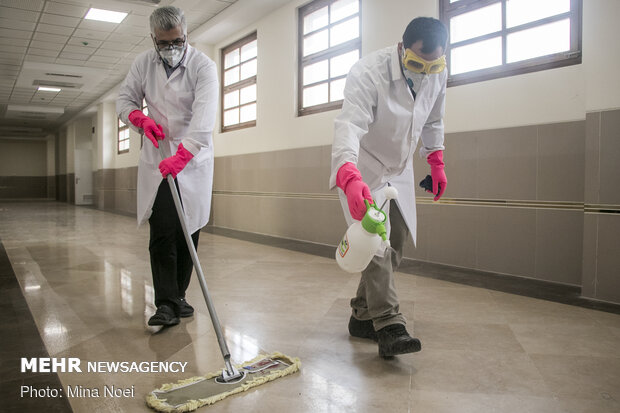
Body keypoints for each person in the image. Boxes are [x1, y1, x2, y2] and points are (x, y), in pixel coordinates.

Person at [330, 17, 448, 357]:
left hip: (400, 168)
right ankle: (389, 325)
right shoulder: (368, 72)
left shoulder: (437, 72)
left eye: (433, 65)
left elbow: (434, 117)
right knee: (376, 242)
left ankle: (361, 314)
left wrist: (436, 161)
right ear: (402, 47)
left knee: (395, 243)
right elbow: (349, 125)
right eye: (416, 63)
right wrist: (349, 176)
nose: (424, 73)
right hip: (362, 164)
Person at [116, 6, 218, 327]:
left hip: (193, 159)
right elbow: (124, 101)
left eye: (177, 41)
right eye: (164, 43)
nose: (171, 48)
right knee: (162, 230)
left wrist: (183, 155)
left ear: (186, 35)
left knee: (189, 231)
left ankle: (179, 297)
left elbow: (203, 122)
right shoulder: (143, 64)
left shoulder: (204, 67)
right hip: (157, 157)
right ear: (153, 39)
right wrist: (139, 119)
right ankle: (165, 303)